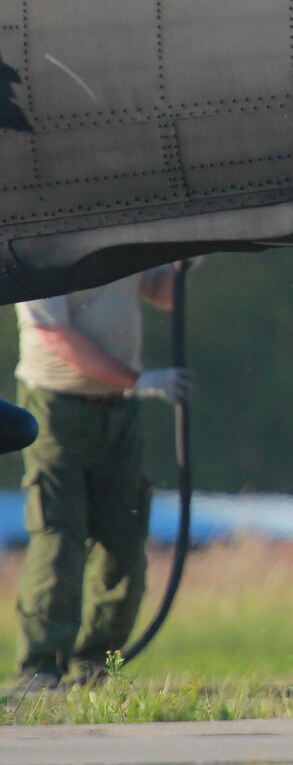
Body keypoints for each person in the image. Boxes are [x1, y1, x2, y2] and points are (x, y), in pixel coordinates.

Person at [12, 265, 193, 688]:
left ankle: (98, 665)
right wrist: (138, 379)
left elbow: (160, 292)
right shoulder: (39, 246)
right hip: (56, 408)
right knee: (59, 536)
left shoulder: (116, 237)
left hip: (118, 408)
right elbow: (54, 336)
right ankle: (42, 666)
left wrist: (188, 260)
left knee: (124, 538)